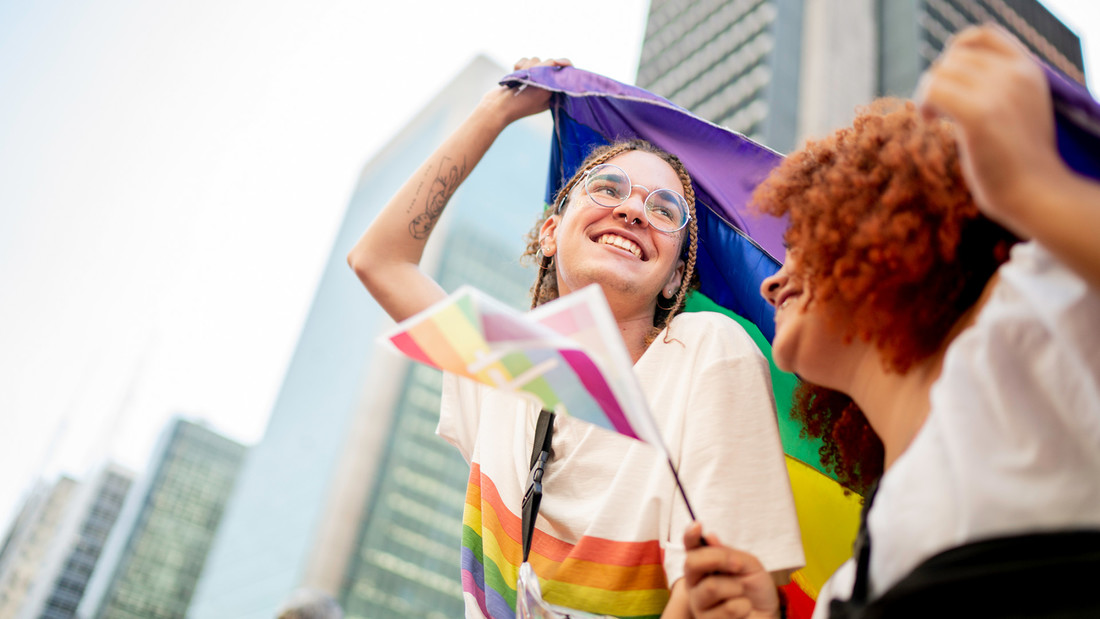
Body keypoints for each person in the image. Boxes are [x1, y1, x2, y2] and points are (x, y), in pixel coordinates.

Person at [347, 58, 804, 618]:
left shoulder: (706, 351)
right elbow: (380, 260)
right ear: (549, 231)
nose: (634, 209)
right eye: (608, 188)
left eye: (666, 211)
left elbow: (721, 598)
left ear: (677, 277)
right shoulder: (510, 361)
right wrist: (501, 109)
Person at [681, 26, 1100, 619]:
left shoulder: (1037, 328)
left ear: (886, 229)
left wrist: (1035, 191)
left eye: (802, 239)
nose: (772, 280)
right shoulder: (846, 587)